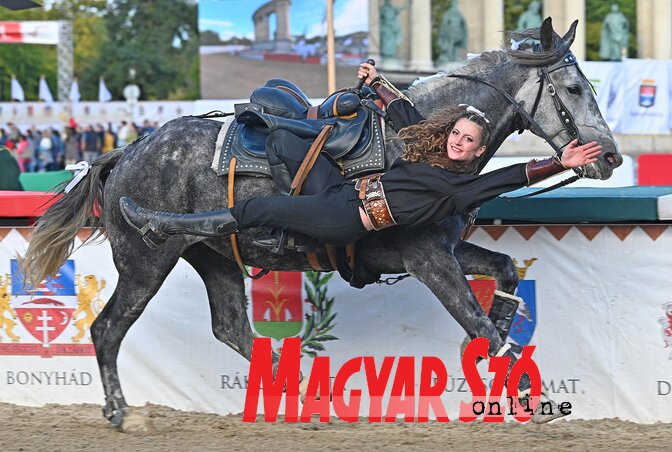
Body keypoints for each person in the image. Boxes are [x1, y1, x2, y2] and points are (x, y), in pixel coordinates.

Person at [120, 62, 602, 251]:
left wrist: (559, 162)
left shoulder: (462, 186)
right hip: (343, 196)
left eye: (467, 141)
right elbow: (404, 116)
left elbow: (510, 176)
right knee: (279, 167)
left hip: (348, 219)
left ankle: (162, 224)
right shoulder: (429, 152)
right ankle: (166, 223)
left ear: (477, 151)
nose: (457, 142)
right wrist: (375, 83)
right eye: (456, 133)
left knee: (255, 209)